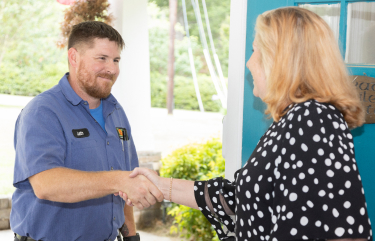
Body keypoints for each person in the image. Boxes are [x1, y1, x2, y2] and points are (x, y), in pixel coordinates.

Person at [121, 7, 373, 241]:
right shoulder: (297, 118)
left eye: (255, 50)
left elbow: (340, 231)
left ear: (280, 59)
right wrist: (159, 186)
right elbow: (241, 199)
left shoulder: (311, 120)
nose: (249, 63)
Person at [10, 21, 163, 241]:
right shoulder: (42, 112)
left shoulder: (116, 111)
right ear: (74, 57)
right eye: (101, 58)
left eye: (116, 60)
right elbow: (46, 184)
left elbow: (128, 177)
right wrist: (119, 181)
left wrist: (131, 236)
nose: (111, 69)